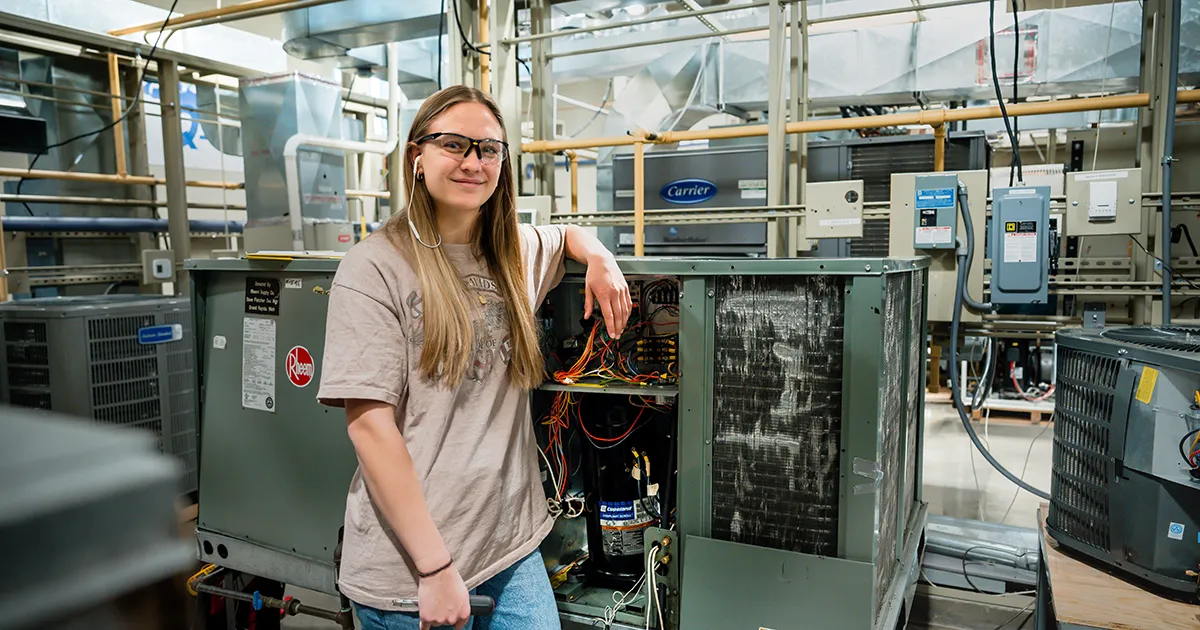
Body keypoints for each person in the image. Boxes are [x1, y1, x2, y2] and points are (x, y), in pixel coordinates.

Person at [316, 85, 631, 630]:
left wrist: (600, 255)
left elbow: (564, 236)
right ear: (417, 157)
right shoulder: (373, 269)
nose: (473, 162)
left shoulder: (511, 253)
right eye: (453, 145)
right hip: (413, 570)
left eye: (488, 149)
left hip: (510, 548)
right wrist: (435, 569)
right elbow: (370, 429)